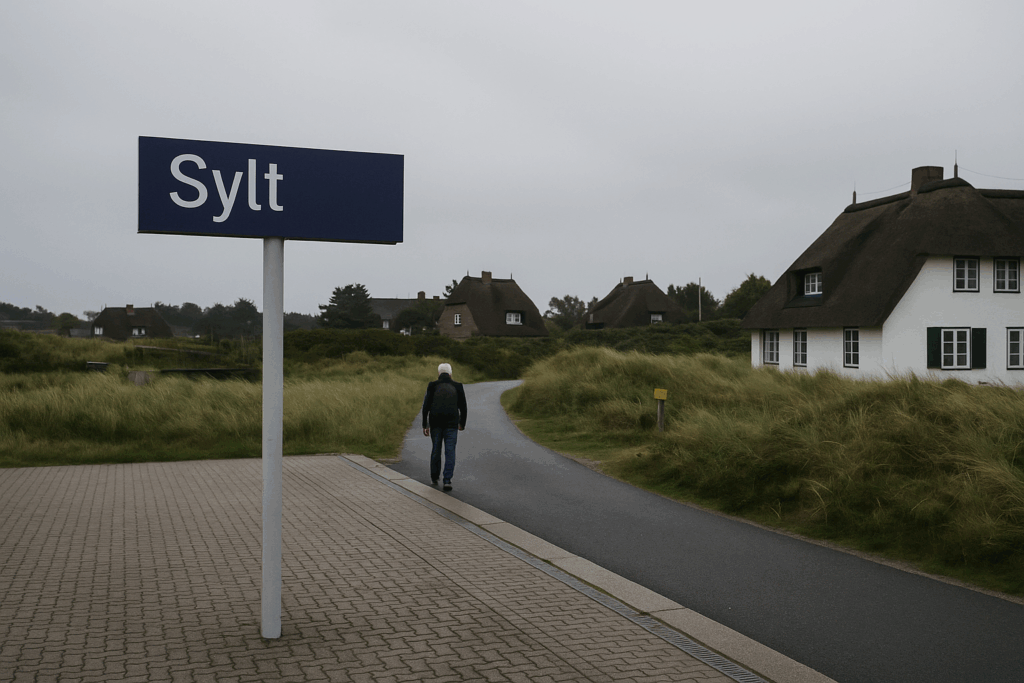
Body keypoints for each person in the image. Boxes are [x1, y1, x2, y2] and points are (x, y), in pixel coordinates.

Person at [421, 362, 467, 491]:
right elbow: (463, 407)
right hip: (452, 424)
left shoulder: (433, 385)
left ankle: (434, 477)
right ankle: (447, 480)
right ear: (451, 374)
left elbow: (426, 406)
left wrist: (425, 424)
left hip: (435, 423)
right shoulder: (457, 386)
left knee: (436, 449)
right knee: (450, 451)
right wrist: (462, 423)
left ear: (439, 373)